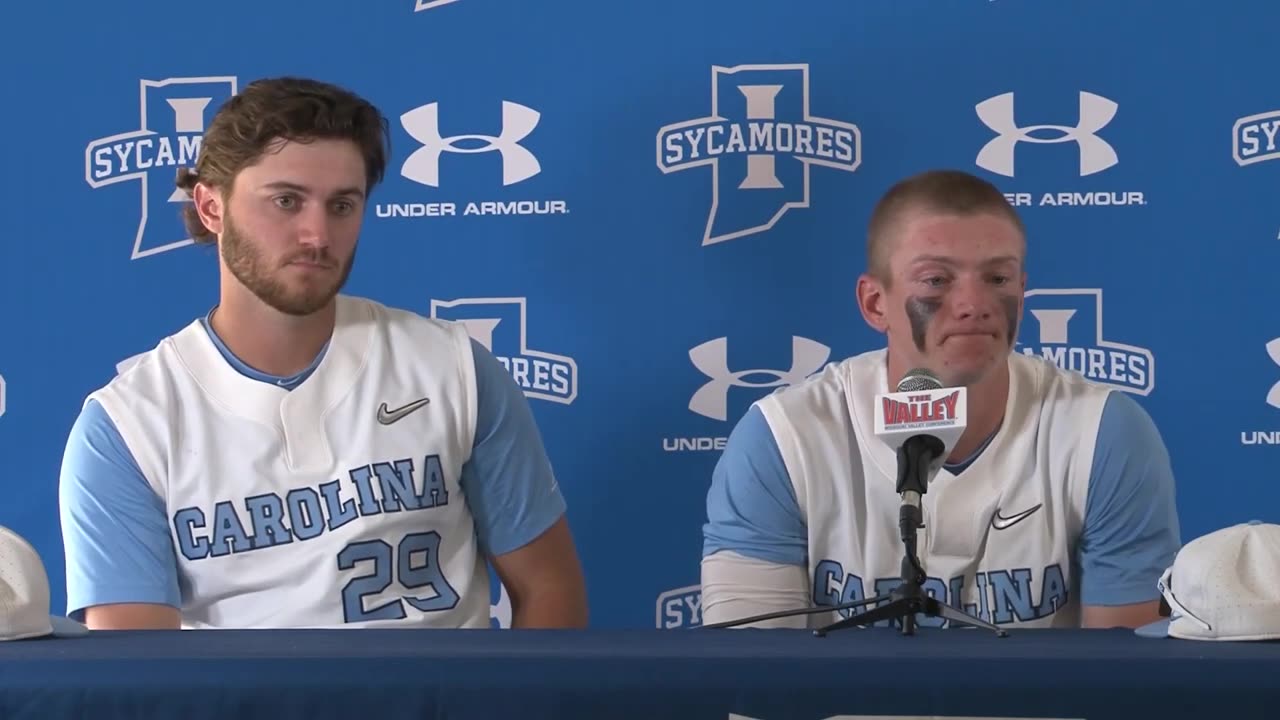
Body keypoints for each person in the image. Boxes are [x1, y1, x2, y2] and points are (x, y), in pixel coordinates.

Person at [57, 76, 588, 631]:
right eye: (286, 201)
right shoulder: (127, 427)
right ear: (212, 207)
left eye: (342, 205)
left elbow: (550, 588)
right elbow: (139, 677)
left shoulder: (452, 369)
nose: (317, 233)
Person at [699, 169, 1180, 630]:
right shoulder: (785, 438)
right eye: (936, 280)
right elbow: (753, 678)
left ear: (1023, 291)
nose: (974, 303)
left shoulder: (1102, 432)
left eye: (997, 279)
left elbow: (1125, 680)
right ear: (875, 304)